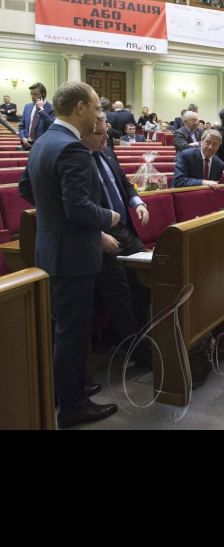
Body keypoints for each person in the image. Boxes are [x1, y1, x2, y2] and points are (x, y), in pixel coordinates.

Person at [18, 81, 119, 430]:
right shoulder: (73, 148)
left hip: (50, 249)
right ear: (79, 108)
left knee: (64, 330)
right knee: (72, 333)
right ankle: (73, 406)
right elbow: (79, 209)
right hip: (74, 255)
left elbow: (25, 187)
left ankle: (70, 388)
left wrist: (52, 216)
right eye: (94, 107)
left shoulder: (44, 140)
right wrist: (109, 217)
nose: (97, 113)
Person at [84, 114, 152, 362]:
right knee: (120, 294)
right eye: (101, 133)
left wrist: (138, 203)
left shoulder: (108, 152)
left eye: (107, 132)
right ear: (84, 134)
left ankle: (136, 336)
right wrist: (99, 234)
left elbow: (124, 184)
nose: (107, 137)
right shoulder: (79, 160)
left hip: (126, 229)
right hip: (103, 235)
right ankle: (137, 351)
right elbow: (76, 206)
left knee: (146, 278)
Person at [18, 83, 55, 150]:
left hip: (42, 147)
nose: (32, 96)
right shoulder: (27, 107)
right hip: (26, 145)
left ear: (43, 95)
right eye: (31, 94)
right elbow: (22, 126)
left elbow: (52, 124)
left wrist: (41, 110)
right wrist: (22, 138)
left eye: (35, 94)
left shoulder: (51, 108)